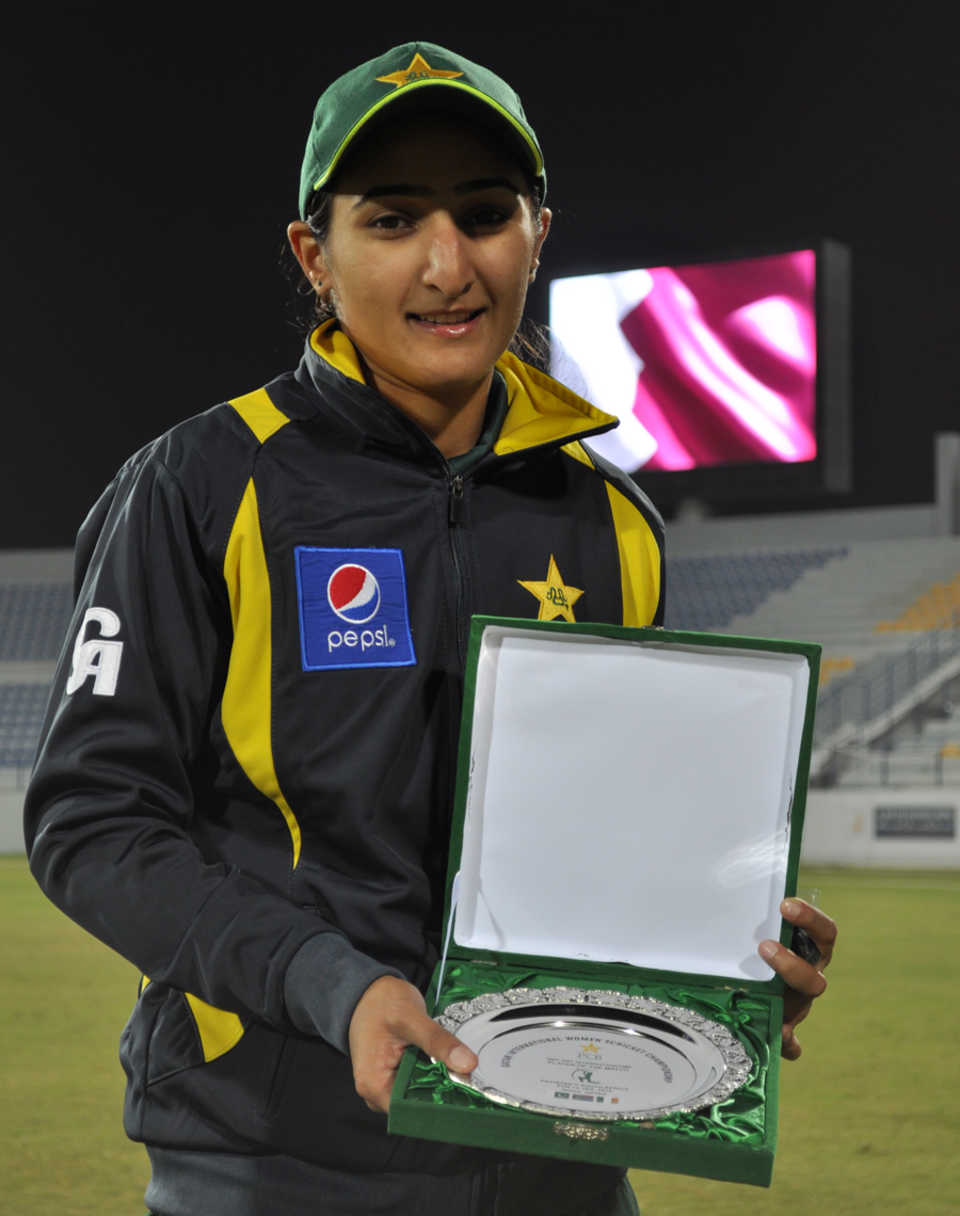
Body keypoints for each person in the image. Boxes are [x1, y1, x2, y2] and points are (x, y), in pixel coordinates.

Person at [24, 41, 836, 1216]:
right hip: (272, 1158)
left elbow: (618, 833)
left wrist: (727, 953)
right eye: (394, 219)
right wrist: (329, 982)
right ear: (316, 253)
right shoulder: (201, 485)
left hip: (560, 1152)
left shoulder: (615, 521)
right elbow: (90, 820)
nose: (448, 264)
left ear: (538, 233)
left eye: (485, 212)